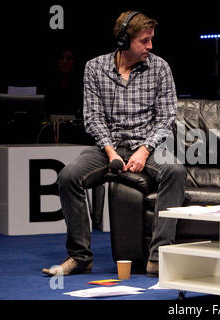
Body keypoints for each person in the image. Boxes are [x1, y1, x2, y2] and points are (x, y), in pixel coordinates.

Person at [42, 11, 185, 277]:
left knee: (175, 171)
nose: (150, 47)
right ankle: (80, 257)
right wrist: (110, 152)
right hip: (109, 147)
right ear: (123, 41)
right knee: (68, 177)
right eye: (144, 41)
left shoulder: (160, 67)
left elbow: (166, 117)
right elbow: (93, 118)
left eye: (151, 40)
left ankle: (159, 257)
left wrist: (145, 150)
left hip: (147, 146)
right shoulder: (94, 68)